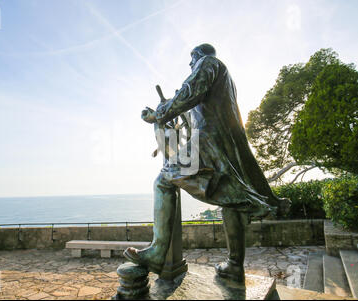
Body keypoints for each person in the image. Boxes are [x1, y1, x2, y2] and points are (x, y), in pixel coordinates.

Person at [124, 43, 289, 283]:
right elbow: (195, 106)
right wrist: (170, 111)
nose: (191, 66)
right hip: (224, 143)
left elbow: (190, 92)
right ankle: (234, 265)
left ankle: (157, 253)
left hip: (207, 142)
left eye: (192, 61)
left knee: (163, 180)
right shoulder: (226, 77)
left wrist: (159, 113)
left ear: (198, 56)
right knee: (230, 199)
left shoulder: (208, 63)